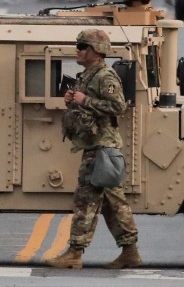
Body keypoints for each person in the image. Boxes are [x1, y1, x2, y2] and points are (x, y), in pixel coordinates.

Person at [47, 29, 140, 270]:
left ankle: (75, 252)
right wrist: (73, 98)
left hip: (102, 148)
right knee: (112, 202)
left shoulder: (104, 75)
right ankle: (129, 251)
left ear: (97, 51)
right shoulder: (88, 75)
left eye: (82, 45)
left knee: (85, 200)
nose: (77, 49)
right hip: (95, 146)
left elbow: (119, 106)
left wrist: (83, 100)